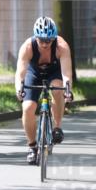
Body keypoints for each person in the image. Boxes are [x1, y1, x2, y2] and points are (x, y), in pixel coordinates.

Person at [15, 16, 74, 166]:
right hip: (33, 74)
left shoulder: (61, 46)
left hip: (54, 73)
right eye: (41, 40)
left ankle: (57, 127)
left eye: (49, 40)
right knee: (27, 108)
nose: (45, 44)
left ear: (54, 38)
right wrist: (19, 89)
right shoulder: (27, 47)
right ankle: (32, 146)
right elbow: (20, 73)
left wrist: (68, 90)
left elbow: (66, 74)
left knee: (57, 90)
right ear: (36, 37)